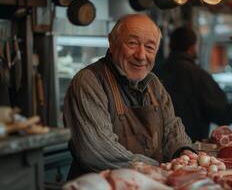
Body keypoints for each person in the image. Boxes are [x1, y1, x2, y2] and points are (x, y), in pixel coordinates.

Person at [63, 14, 194, 179]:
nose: (141, 55)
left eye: (150, 47)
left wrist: (183, 151)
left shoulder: (153, 84)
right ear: (112, 43)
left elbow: (172, 127)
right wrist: (161, 169)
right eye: (132, 43)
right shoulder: (89, 81)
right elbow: (97, 150)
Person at [156, 26, 232, 142]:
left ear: (170, 46)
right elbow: (222, 114)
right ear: (192, 47)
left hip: (157, 147)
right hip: (189, 149)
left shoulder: (155, 73)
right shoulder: (199, 76)